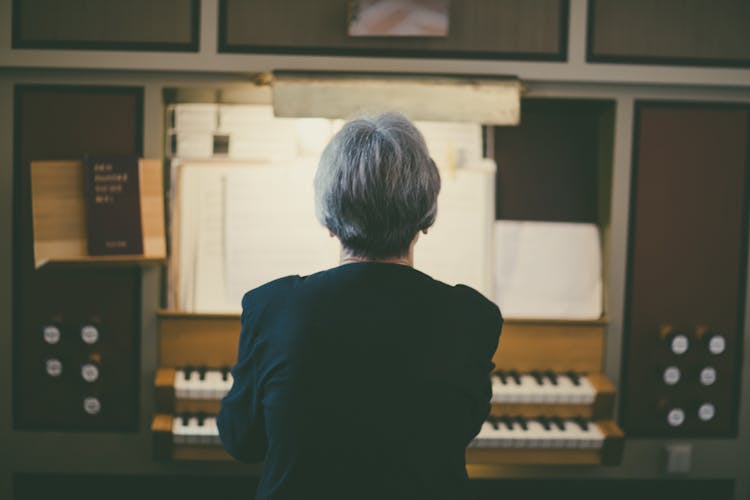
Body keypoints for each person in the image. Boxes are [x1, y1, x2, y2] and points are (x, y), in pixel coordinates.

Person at [217, 112, 502, 500]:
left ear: (329, 218)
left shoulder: (270, 306)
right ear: (426, 216)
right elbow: (457, 430)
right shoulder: (472, 317)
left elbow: (242, 442)